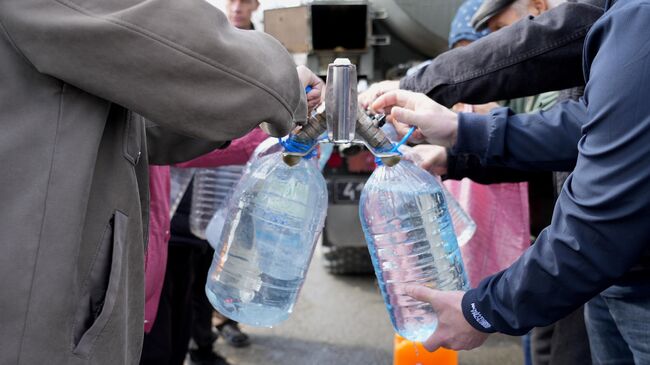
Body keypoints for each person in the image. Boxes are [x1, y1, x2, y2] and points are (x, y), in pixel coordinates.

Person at [0, 0, 312, 363]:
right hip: (36, 309)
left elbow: (133, 127)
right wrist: (285, 79)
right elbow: (191, 49)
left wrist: (231, 123)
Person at [371, 1, 650, 363]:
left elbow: (602, 220)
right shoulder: (622, 18)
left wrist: (486, 308)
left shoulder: (638, 18)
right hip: (609, 278)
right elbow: (586, 127)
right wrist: (459, 139)